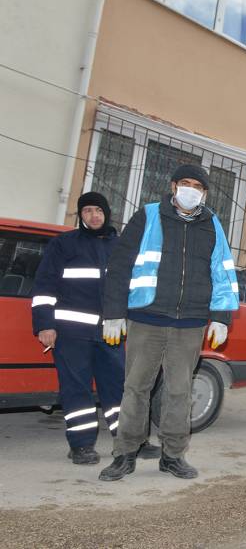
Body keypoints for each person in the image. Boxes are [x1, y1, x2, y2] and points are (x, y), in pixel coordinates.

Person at [97, 165, 239, 481]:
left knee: (179, 391)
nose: (191, 190)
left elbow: (223, 273)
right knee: (135, 388)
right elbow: (119, 266)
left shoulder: (212, 225)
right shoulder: (147, 216)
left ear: (204, 193)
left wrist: (221, 317)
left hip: (189, 322)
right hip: (147, 316)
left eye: (198, 186)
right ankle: (125, 454)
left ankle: (173, 456)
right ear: (173, 186)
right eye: (185, 183)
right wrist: (114, 312)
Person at [31, 192, 159, 464]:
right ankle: (81, 445)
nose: (94, 215)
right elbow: (44, 286)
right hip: (71, 334)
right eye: (87, 211)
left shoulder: (121, 246)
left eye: (98, 210)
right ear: (81, 215)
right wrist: (44, 324)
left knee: (119, 388)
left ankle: (130, 441)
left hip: (110, 333)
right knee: (76, 388)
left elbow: (132, 287)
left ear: (107, 213)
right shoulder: (64, 244)